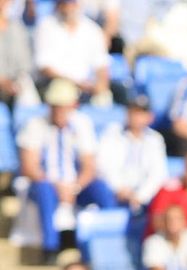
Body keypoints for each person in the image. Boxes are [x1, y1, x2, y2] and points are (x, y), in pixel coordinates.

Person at [19, 79, 117, 256]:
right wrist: (58, 186)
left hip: (75, 184)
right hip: (47, 183)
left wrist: (74, 187)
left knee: (101, 190)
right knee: (44, 190)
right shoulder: (35, 124)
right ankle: (51, 247)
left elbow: (89, 166)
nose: (59, 110)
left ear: (73, 105)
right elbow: (29, 167)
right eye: (55, 105)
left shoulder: (82, 124)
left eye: (63, 106)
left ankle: (109, 243)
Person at [99, 95, 168, 218]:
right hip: (116, 192)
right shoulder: (112, 133)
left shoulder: (155, 139)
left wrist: (140, 196)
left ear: (149, 117)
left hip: (143, 196)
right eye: (134, 112)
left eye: (141, 113)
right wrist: (119, 188)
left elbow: (158, 173)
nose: (136, 117)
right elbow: (104, 165)